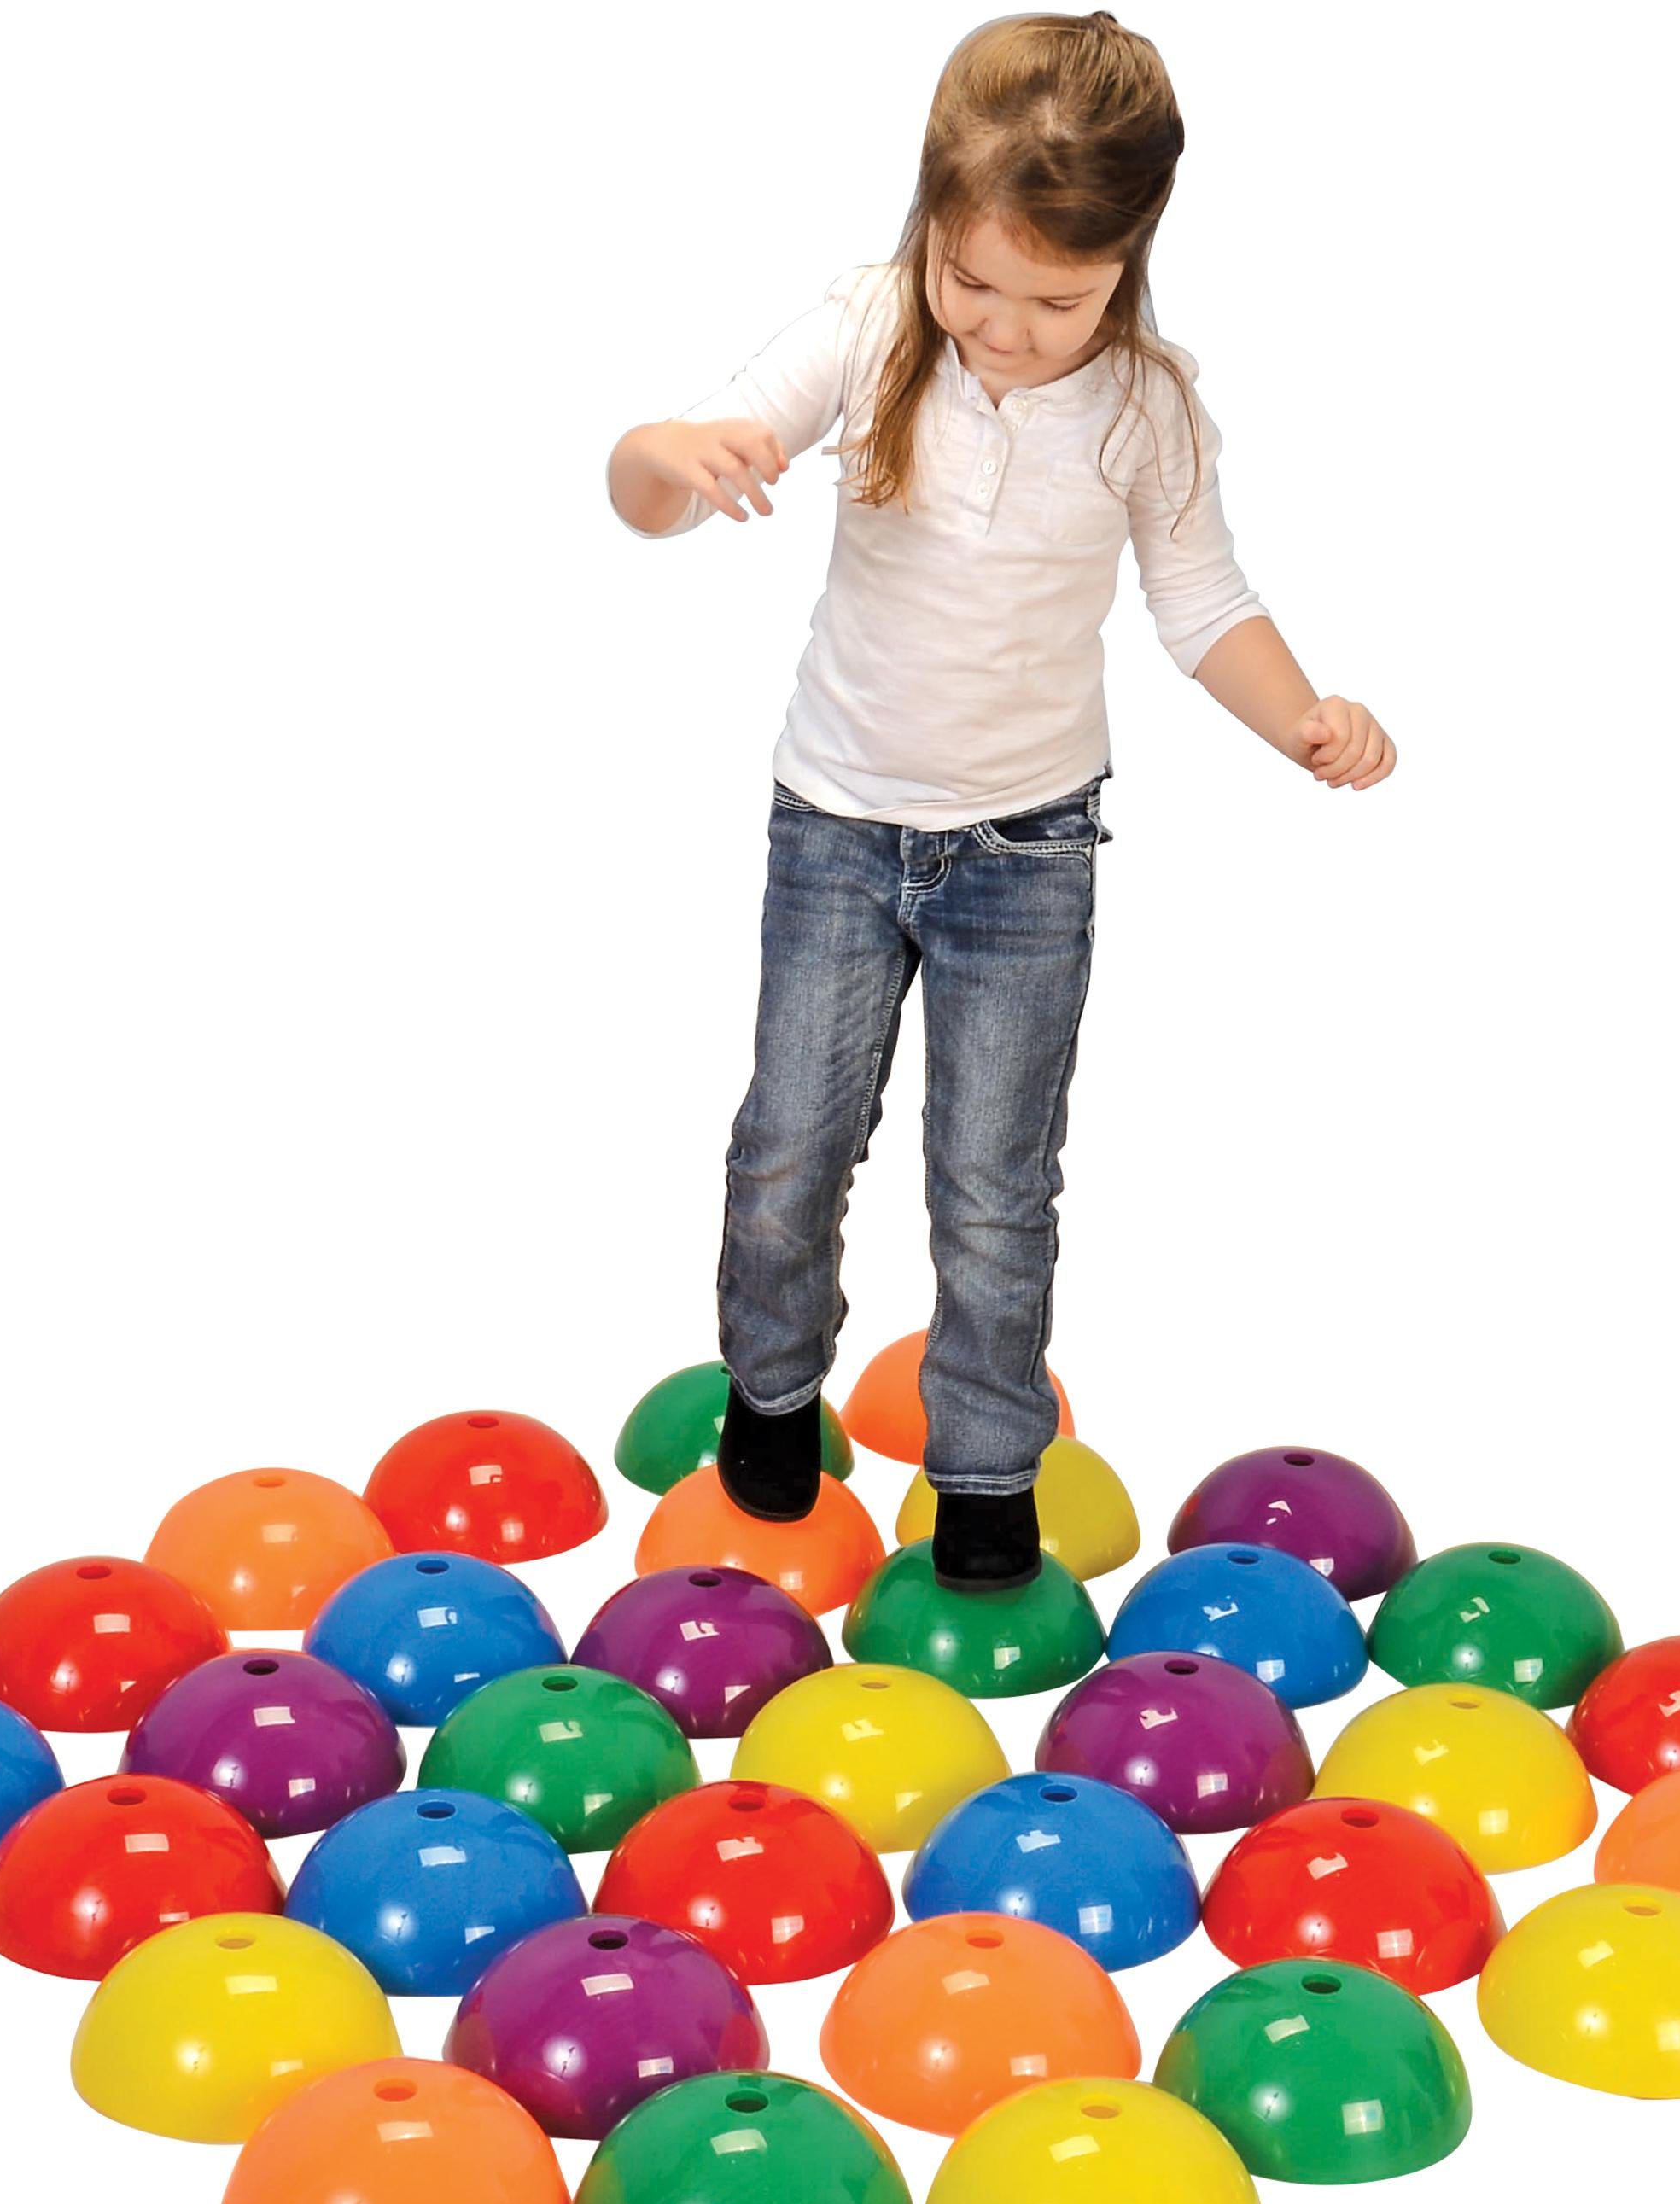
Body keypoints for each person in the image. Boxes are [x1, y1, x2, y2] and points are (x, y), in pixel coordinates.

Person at [606, 10, 1395, 1591]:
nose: (1007, 327)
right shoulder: (876, 327)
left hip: (1028, 852)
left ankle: (981, 1475)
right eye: (978, 282)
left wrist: (1302, 713)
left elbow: (1203, 607)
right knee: (789, 1138)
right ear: (928, 229)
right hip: (835, 826)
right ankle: (771, 1394)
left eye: (1058, 298)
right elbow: (650, 498)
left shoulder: (1146, 410)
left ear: (1131, 255)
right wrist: (666, 455)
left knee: (992, 1177)